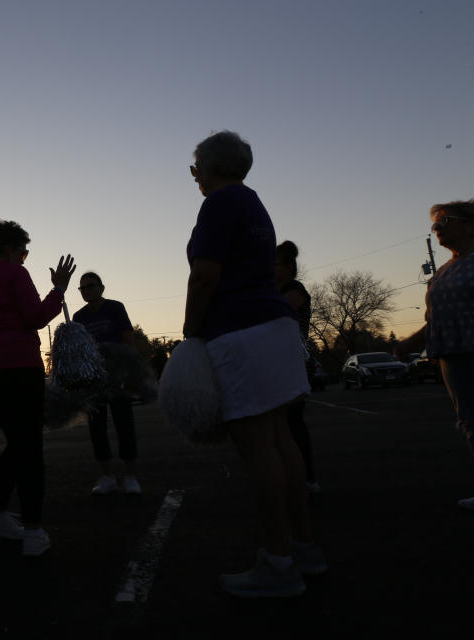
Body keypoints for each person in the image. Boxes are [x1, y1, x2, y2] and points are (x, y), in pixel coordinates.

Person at [184, 131, 325, 597]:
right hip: (275, 326)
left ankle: (278, 563)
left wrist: (190, 332)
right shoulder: (252, 201)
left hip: (241, 331)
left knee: (257, 446)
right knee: (281, 439)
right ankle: (302, 548)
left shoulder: (218, 204)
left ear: (209, 167)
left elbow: (205, 275)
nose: (194, 176)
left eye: (195, 167)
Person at [0, 219, 75, 557]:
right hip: (20, 367)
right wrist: (59, 290)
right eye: (23, 252)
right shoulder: (13, 273)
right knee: (29, 447)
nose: (25, 258)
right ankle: (33, 531)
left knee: (18, 441)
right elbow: (36, 317)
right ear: (9, 249)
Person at [395, 200, 474, 511]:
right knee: (470, 421)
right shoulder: (443, 271)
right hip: (452, 358)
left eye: (444, 221)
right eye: (434, 224)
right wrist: (408, 344)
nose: (436, 229)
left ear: (470, 224)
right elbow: (435, 320)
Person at [72, 272, 142, 495]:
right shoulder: (78, 317)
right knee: (97, 429)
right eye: (82, 288)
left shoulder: (115, 308)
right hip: (93, 380)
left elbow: (128, 339)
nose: (86, 291)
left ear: (101, 288)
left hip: (117, 376)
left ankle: (130, 476)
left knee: (124, 425)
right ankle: (107, 476)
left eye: (90, 286)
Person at [274, 241, 320, 494]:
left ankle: (307, 477)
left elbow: (276, 313)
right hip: (273, 361)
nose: (271, 268)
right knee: (277, 423)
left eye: (276, 264)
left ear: (289, 267)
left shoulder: (295, 290)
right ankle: (289, 475)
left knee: (292, 421)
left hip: (294, 361)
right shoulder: (269, 290)